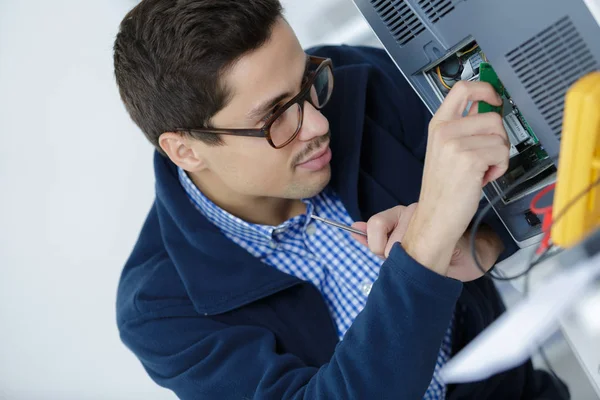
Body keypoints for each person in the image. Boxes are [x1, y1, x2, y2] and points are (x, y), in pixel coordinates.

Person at [113, 0, 568, 398]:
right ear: (185, 150)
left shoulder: (362, 84)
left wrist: (481, 241)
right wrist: (425, 245)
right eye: (275, 117)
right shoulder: (161, 309)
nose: (317, 124)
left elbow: (524, 176)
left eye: (306, 80)